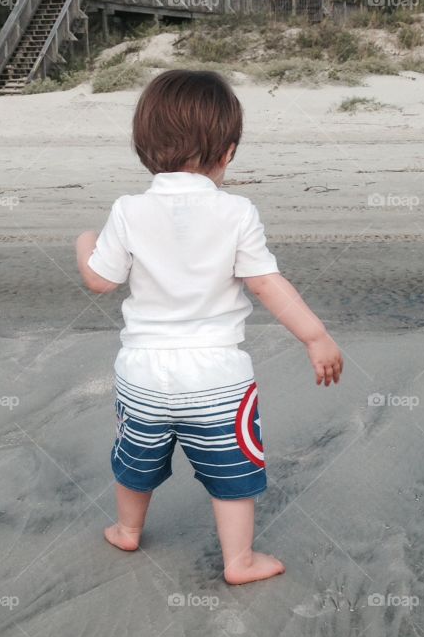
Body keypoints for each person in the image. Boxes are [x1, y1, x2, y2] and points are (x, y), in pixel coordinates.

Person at [75, 69, 343, 585]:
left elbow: (101, 281)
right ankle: (239, 560)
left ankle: (128, 530)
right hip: (217, 378)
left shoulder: (128, 210)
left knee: (135, 458)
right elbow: (266, 283)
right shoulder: (237, 211)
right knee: (232, 473)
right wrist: (315, 336)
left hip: (143, 374)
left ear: (143, 146)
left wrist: (85, 243)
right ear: (229, 151)